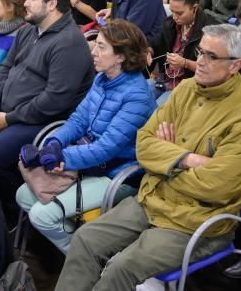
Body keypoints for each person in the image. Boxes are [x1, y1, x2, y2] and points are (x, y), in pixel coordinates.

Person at [56, 24, 241, 290]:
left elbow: (217, 186)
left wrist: (163, 165)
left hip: (197, 220)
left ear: (236, 65)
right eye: (200, 52)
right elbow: (143, 144)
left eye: (211, 56)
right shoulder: (185, 90)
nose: (199, 62)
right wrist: (186, 160)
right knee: (85, 239)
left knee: (121, 267)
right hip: (152, 200)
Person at [16, 19, 156, 253]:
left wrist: (61, 158)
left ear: (120, 56)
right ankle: (88, 243)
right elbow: (78, 120)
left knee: (42, 215)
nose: (94, 51)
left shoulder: (137, 96)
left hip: (117, 173)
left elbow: (106, 148)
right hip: (90, 163)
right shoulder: (102, 79)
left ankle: (85, 261)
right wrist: (54, 143)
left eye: (102, 47)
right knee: (23, 196)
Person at [0, 0, 95, 210]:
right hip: (8, 111)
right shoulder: (29, 30)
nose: (26, 4)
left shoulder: (69, 43)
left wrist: (9, 118)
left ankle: (13, 214)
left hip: (42, 121)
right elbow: (6, 68)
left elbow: (54, 100)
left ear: (51, 4)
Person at [149, 0, 212, 102]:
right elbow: (156, 44)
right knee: (139, 95)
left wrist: (185, 63)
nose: (174, 17)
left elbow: (211, 68)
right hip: (166, 79)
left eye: (179, 13)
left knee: (159, 108)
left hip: (190, 86)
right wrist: (148, 51)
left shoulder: (209, 31)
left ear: (195, 8)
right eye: (172, 11)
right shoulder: (170, 23)